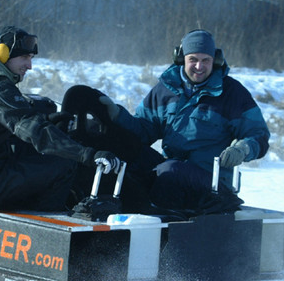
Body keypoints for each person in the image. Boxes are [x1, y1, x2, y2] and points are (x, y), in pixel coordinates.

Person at [0, 26, 121, 211]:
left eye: (30, 58)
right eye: (24, 57)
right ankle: (48, 227)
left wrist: (45, 118)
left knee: (26, 153)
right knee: (64, 165)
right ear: (3, 54)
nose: (29, 65)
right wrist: (86, 154)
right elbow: (34, 131)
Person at [98, 29, 270, 213]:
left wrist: (243, 149)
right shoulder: (164, 90)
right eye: (193, 60)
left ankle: (165, 221)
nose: (199, 66)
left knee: (169, 171)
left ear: (216, 60)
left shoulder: (232, 93)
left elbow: (258, 135)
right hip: (171, 173)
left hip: (212, 183)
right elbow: (142, 131)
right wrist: (116, 115)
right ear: (181, 59)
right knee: (130, 161)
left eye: (206, 60)